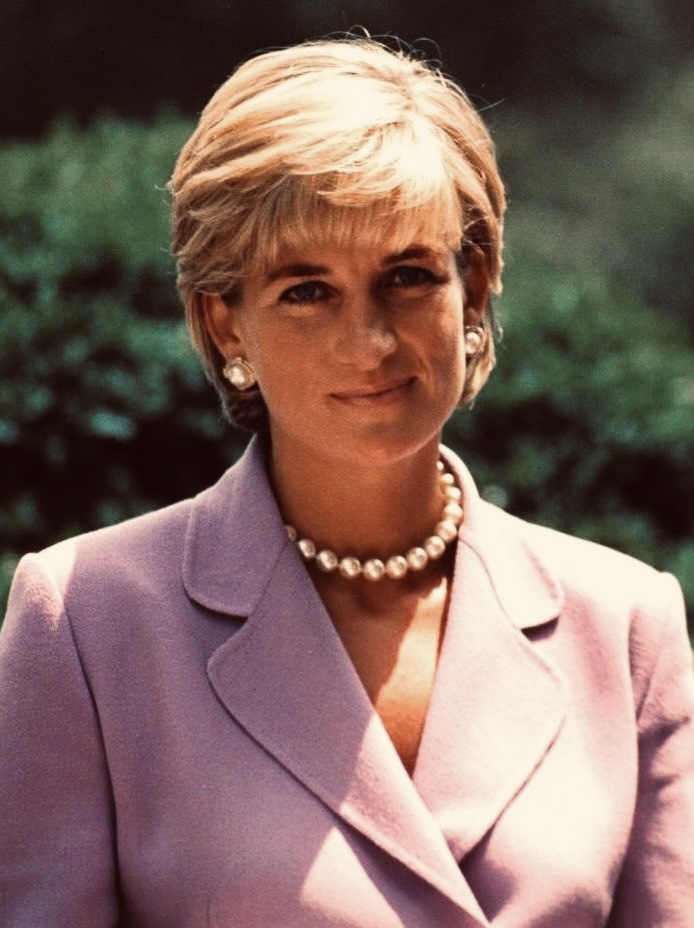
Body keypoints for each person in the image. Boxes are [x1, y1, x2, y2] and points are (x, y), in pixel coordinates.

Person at [1, 35, 693, 928]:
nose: (369, 342)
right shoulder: (86, 620)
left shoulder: (627, 624)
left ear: (474, 286)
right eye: (307, 290)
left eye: (408, 276)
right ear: (227, 323)